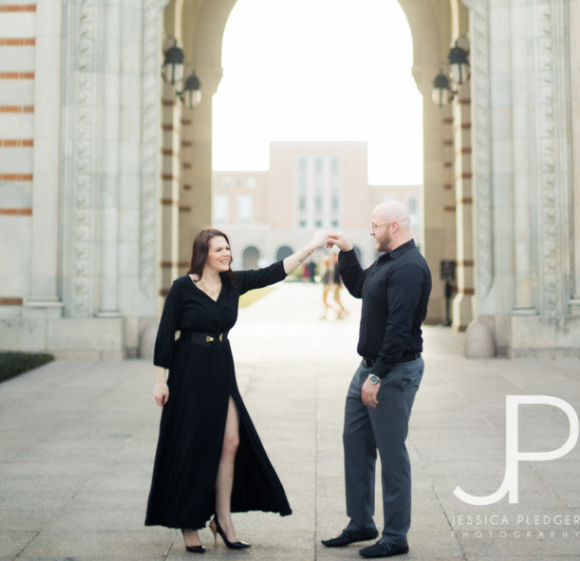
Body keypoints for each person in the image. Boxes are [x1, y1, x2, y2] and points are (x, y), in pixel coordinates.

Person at [145, 226, 329, 553]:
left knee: (231, 442)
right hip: (188, 371)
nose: (226, 254)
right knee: (193, 446)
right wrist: (161, 380)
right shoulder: (182, 288)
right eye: (220, 250)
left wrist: (312, 246)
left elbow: (275, 271)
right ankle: (189, 523)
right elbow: (166, 334)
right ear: (204, 254)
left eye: (228, 249)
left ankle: (224, 519)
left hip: (220, 366)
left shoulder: (234, 282)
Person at [321, 201, 432, 559]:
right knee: (355, 443)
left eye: (375, 226)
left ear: (395, 227)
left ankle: (396, 535)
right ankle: (361, 523)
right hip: (369, 369)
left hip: (393, 371)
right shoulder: (387, 262)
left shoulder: (411, 268)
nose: (371, 231)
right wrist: (347, 251)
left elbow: (400, 329)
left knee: (392, 453)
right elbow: (358, 288)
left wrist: (378, 376)